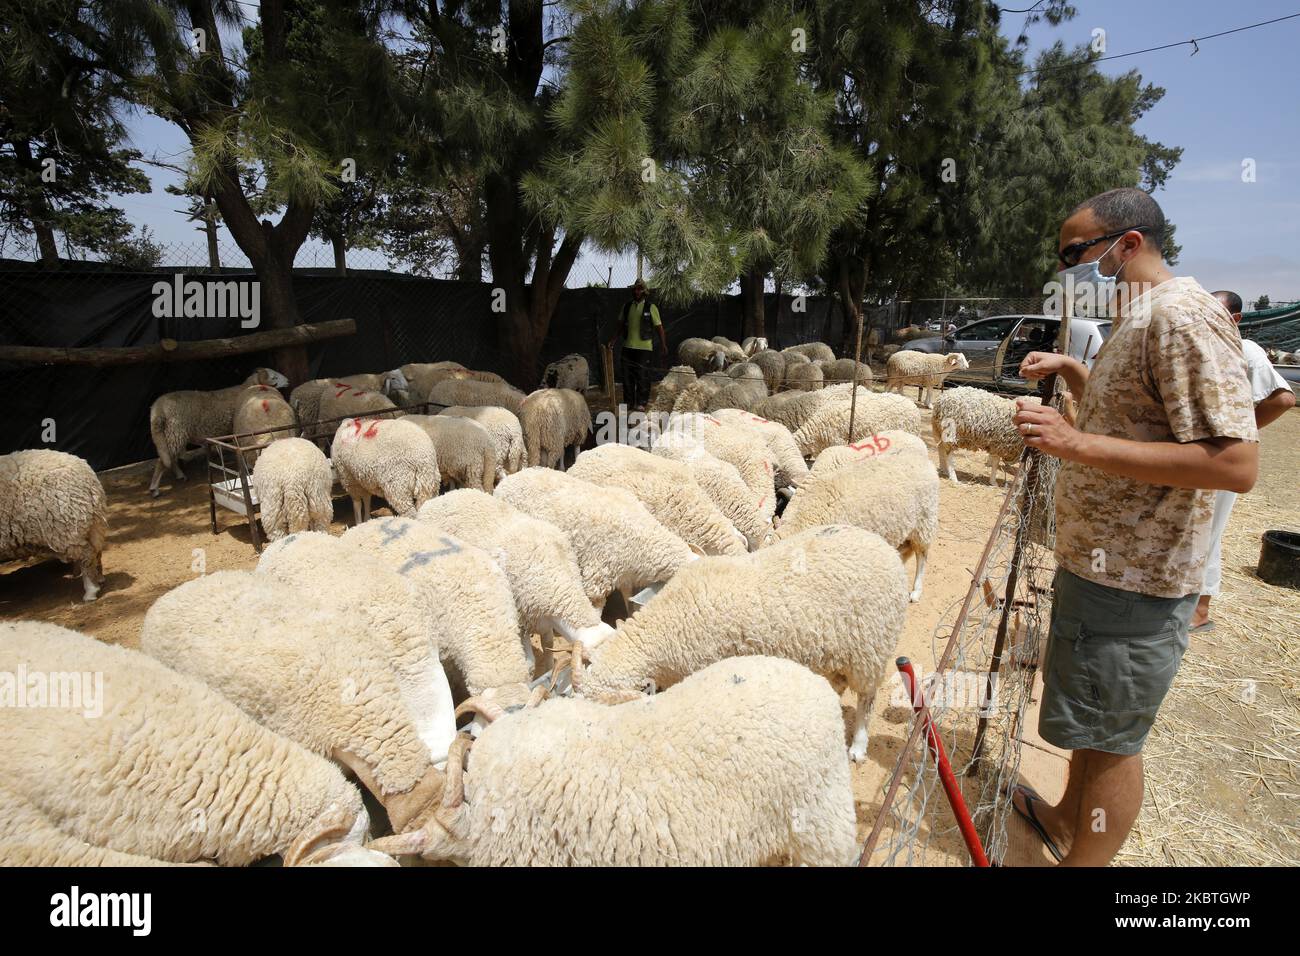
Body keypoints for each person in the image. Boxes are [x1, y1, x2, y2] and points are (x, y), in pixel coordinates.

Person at [1010, 187, 1259, 867]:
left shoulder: (1182, 318)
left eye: (1074, 254)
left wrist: (1073, 445)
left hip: (1137, 578)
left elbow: (1235, 461)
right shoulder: (1141, 315)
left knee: (1115, 738)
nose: (1067, 270)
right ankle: (1065, 817)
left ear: (1126, 245)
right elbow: (1135, 419)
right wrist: (1072, 373)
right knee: (1091, 721)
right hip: (1101, 564)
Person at [1190, 290, 1295, 631]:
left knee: (1209, 530)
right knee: (1194, 527)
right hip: (1198, 457)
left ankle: (1201, 611)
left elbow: (1281, 400)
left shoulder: (1245, 350)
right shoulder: (1206, 347)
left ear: (1235, 319)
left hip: (1220, 457)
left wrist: (1235, 435)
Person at [609, 280, 666, 410]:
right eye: (635, 289)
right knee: (627, 377)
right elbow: (620, 326)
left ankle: (641, 403)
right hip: (628, 347)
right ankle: (628, 402)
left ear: (645, 291)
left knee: (642, 376)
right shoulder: (627, 306)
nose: (637, 291)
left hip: (644, 348)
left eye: (640, 289)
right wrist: (613, 340)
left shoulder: (651, 307)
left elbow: (659, 328)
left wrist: (663, 344)